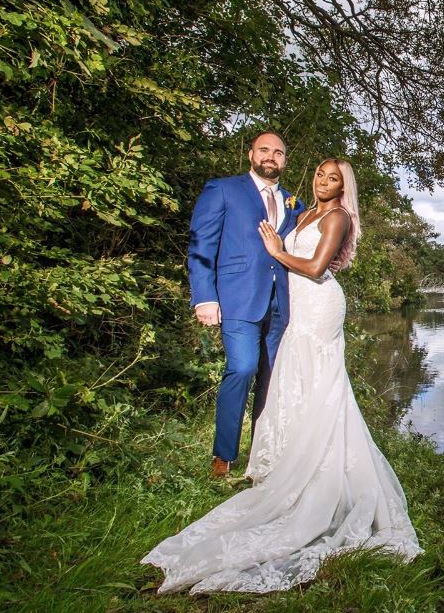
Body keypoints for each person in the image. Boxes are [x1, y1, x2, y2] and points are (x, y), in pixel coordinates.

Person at [143, 158, 422, 593]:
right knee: (294, 381)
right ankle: (289, 458)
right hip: (299, 307)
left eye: (334, 178)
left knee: (321, 384)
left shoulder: (337, 216)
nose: (324, 182)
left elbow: (314, 268)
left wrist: (277, 251)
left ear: (344, 186)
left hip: (319, 303)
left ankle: (319, 469)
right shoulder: (304, 209)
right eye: (319, 174)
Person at [188, 131, 303, 478]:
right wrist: (205, 296)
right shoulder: (222, 189)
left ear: (285, 160)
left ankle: (261, 456)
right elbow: (201, 245)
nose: (271, 157)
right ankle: (223, 457)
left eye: (279, 153)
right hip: (237, 298)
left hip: (282, 304)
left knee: (272, 379)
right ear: (251, 154)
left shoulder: (293, 202)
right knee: (242, 368)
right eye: (265, 150)